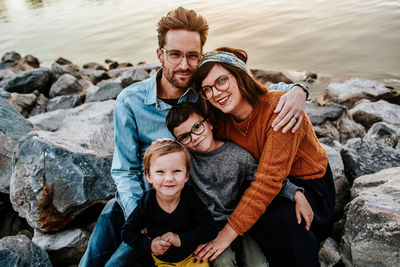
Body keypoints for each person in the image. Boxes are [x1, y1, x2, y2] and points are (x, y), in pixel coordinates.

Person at [79, 7, 309, 267]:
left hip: (187, 211)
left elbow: (255, 91)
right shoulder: (130, 102)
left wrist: (298, 89)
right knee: (109, 218)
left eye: (192, 56)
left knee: (118, 263)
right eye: (175, 55)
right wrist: (142, 219)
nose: (184, 65)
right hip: (145, 203)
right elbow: (125, 171)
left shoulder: (206, 96)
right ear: (160, 55)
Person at [192, 47, 336, 267]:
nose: (216, 93)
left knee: (282, 219)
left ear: (239, 75)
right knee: (245, 205)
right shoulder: (221, 122)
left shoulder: (280, 107)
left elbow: (268, 181)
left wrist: (226, 235)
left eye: (221, 81)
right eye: (207, 89)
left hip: (309, 185)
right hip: (268, 180)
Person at [166, 102, 314, 267]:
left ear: (208, 123)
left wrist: (297, 193)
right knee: (224, 262)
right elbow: (162, 181)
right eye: (184, 136)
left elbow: (266, 178)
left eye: (197, 127)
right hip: (206, 228)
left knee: (258, 264)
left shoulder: (238, 156)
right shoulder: (183, 162)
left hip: (237, 223)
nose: (194, 137)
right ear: (179, 141)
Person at [120, 139, 218, 267]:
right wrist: (149, 245)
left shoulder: (189, 197)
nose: (169, 179)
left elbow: (210, 229)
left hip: (192, 258)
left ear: (186, 175)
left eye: (176, 171)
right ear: (148, 176)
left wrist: (181, 239)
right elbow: (127, 232)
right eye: (160, 172)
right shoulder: (148, 202)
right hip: (164, 262)